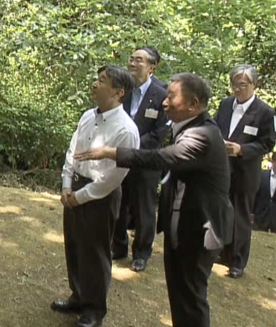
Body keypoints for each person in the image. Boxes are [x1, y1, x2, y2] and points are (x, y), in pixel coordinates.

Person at [75, 73, 232, 327]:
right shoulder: (189, 127)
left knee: (190, 296)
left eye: (171, 97)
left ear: (193, 104)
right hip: (185, 226)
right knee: (181, 294)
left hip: (201, 229)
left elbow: (160, 158)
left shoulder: (202, 135)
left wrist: (110, 152)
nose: (164, 103)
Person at [52, 66, 139, 327]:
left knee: (96, 251)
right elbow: (72, 151)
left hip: (101, 195)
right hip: (75, 187)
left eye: (102, 81)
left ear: (118, 92)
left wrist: (83, 196)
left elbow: (114, 177)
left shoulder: (126, 130)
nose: (94, 84)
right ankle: (78, 295)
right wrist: (67, 184)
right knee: (75, 245)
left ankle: (94, 310)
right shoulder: (88, 116)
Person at [214, 64, 276, 278]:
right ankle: (222, 251)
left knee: (240, 214)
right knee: (222, 209)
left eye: (242, 85)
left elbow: (267, 143)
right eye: (234, 84)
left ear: (254, 84)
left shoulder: (265, 112)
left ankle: (238, 261)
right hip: (222, 167)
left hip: (245, 170)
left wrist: (242, 149)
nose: (237, 89)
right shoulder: (225, 104)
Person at [112, 47, 169, 272]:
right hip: (122, 159)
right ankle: (118, 247)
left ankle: (142, 253)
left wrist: (133, 148)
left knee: (144, 208)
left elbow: (159, 134)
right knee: (118, 203)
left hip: (146, 160)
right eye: (132, 59)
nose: (133, 63)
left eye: (139, 60)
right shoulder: (123, 90)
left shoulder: (162, 94)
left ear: (152, 67)